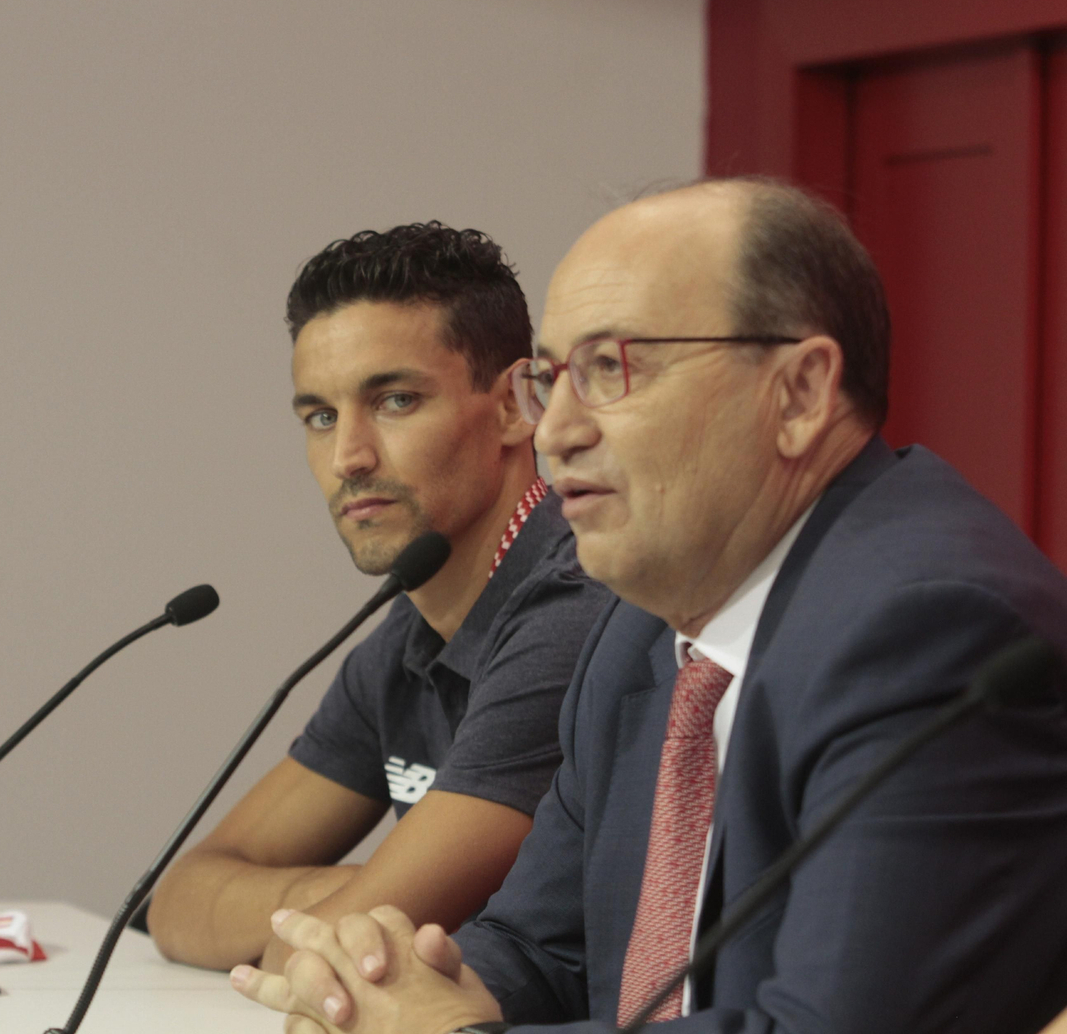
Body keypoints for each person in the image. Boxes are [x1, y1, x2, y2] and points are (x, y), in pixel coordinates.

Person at [229, 178, 1067, 1032]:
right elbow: (540, 948)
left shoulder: (929, 631)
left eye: (609, 369)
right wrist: (384, 990)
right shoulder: (639, 629)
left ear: (800, 393)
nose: (555, 431)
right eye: (553, 378)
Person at [146, 222, 612, 973]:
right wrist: (348, 893)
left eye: (395, 400)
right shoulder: (406, 637)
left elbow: (334, 951)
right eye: (321, 417)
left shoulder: (575, 607)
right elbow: (178, 903)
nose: (348, 457)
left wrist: (332, 914)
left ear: (514, 407)